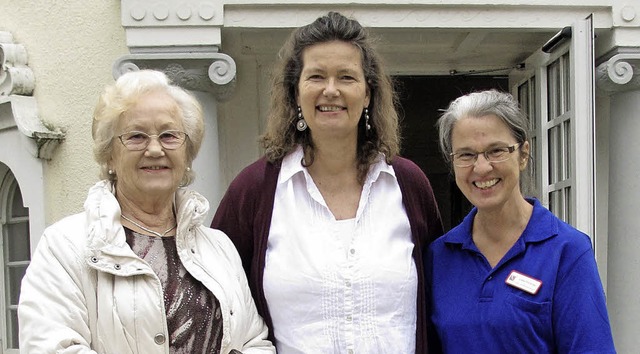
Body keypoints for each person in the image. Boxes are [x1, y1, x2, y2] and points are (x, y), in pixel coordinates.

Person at [211, 11, 443, 353]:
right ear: (295, 93)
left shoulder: (408, 185)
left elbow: (438, 299)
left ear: (367, 94)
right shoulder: (255, 190)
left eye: (346, 77)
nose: (330, 90)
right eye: (316, 76)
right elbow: (218, 298)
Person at [18, 70, 275, 353]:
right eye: (137, 136)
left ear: (187, 153)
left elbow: (255, 342)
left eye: (169, 136)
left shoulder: (218, 248)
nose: (154, 149)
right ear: (109, 155)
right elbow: (52, 347)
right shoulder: (65, 247)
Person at [426, 89, 616, 353]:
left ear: (523, 154)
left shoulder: (566, 251)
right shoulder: (439, 256)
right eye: (466, 155)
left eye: (496, 151)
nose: (481, 168)